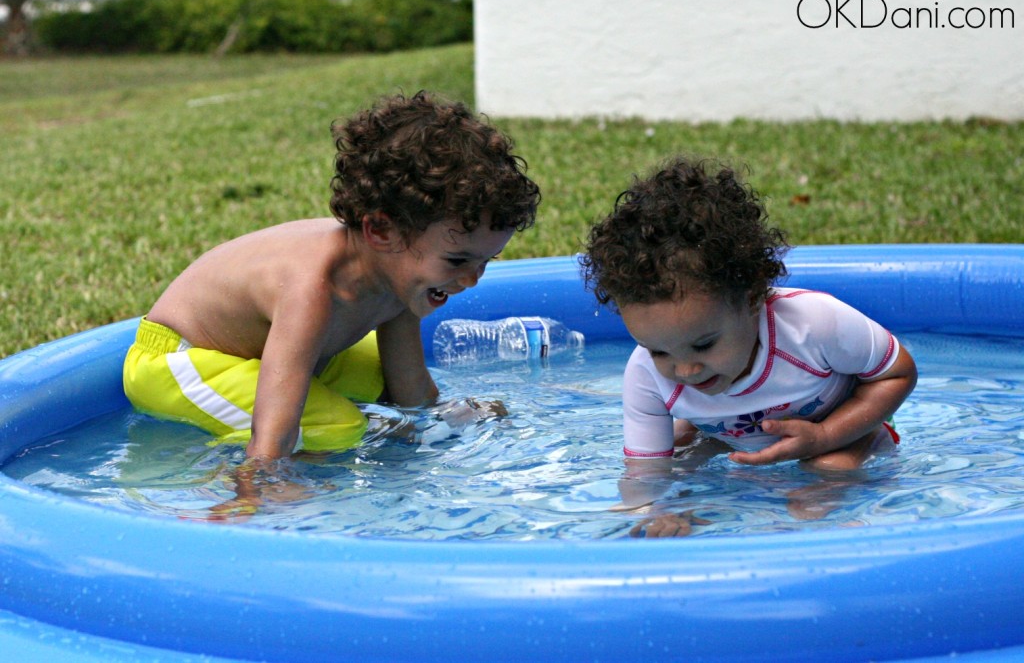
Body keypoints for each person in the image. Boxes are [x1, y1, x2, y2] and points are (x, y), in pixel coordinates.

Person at [123, 91, 541, 463]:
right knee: (338, 427)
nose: (471, 281)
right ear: (380, 231)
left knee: (381, 384)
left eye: (485, 262)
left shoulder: (396, 271)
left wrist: (435, 420)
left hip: (274, 356)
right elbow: (272, 436)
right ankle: (331, 442)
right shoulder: (312, 288)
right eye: (456, 261)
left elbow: (409, 385)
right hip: (181, 363)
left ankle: (371, 428)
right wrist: (262, 485)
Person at [581, 157, 917, 536]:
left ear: (753, 298)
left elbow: (898, 372)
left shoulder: (813, 324)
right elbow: (644, 471)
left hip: (835, 425)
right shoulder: (644, 374)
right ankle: (706, 428)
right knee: (673, 457)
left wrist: (825, 436)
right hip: (727, 434)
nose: (686, 369)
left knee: (825, 479)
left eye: (704, 344)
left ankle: (857, 441)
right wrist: (655, 508)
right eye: (660, 351)